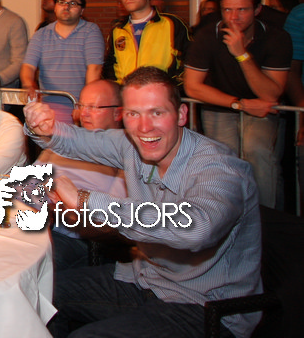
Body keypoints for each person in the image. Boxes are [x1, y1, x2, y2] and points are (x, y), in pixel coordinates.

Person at [28, 67, 262, 338]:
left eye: (157, 112)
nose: (144, 127)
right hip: (146, 279)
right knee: (37, 293)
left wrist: (84, 200)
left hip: (205, 306)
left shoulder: (220, 167)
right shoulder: (132, 144)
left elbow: (196, 228)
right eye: (133, 114)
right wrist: (44, 128)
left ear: (181, 114)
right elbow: (77, 140)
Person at [183, 0, 291, 208]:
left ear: (257, 10)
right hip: (221, 106)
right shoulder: (207, 36)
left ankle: (267, 218)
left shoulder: (276, 37)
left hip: (262, 108)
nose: (234, 17)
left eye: (242, 9)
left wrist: (242, 55)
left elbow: (271, 94)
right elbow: (192, 86)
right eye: (227, 10)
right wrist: (239, 103)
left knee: (258, 153)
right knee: (224, 160)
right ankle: (227, 215)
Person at [33, 79, 126, 272]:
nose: (83, 113)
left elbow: (112, 219)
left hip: (73, 237)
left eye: (93, 107)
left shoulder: (126, 153)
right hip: (32, 221)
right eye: (81, 106)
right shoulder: (64, 140)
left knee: (32, 264)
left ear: (118, 113)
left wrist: (60, 209)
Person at [21, 0, 104, 125]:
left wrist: (85, 104)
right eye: (62, 2)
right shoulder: (41, 34)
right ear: (55, 7)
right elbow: (28, 66)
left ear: (82, 10)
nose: (66, 7)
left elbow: (94, 69)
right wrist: (28, 85)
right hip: (48, 108)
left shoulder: (91, 31)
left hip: (78, 106)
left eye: (73, 3)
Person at [103, 0, 191, 86]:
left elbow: (190, 59)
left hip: (162, 92)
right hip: (126, 92)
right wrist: (118, 87)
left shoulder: (172, 23)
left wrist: (171, 86)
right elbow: (110, 64)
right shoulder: (118, 29)